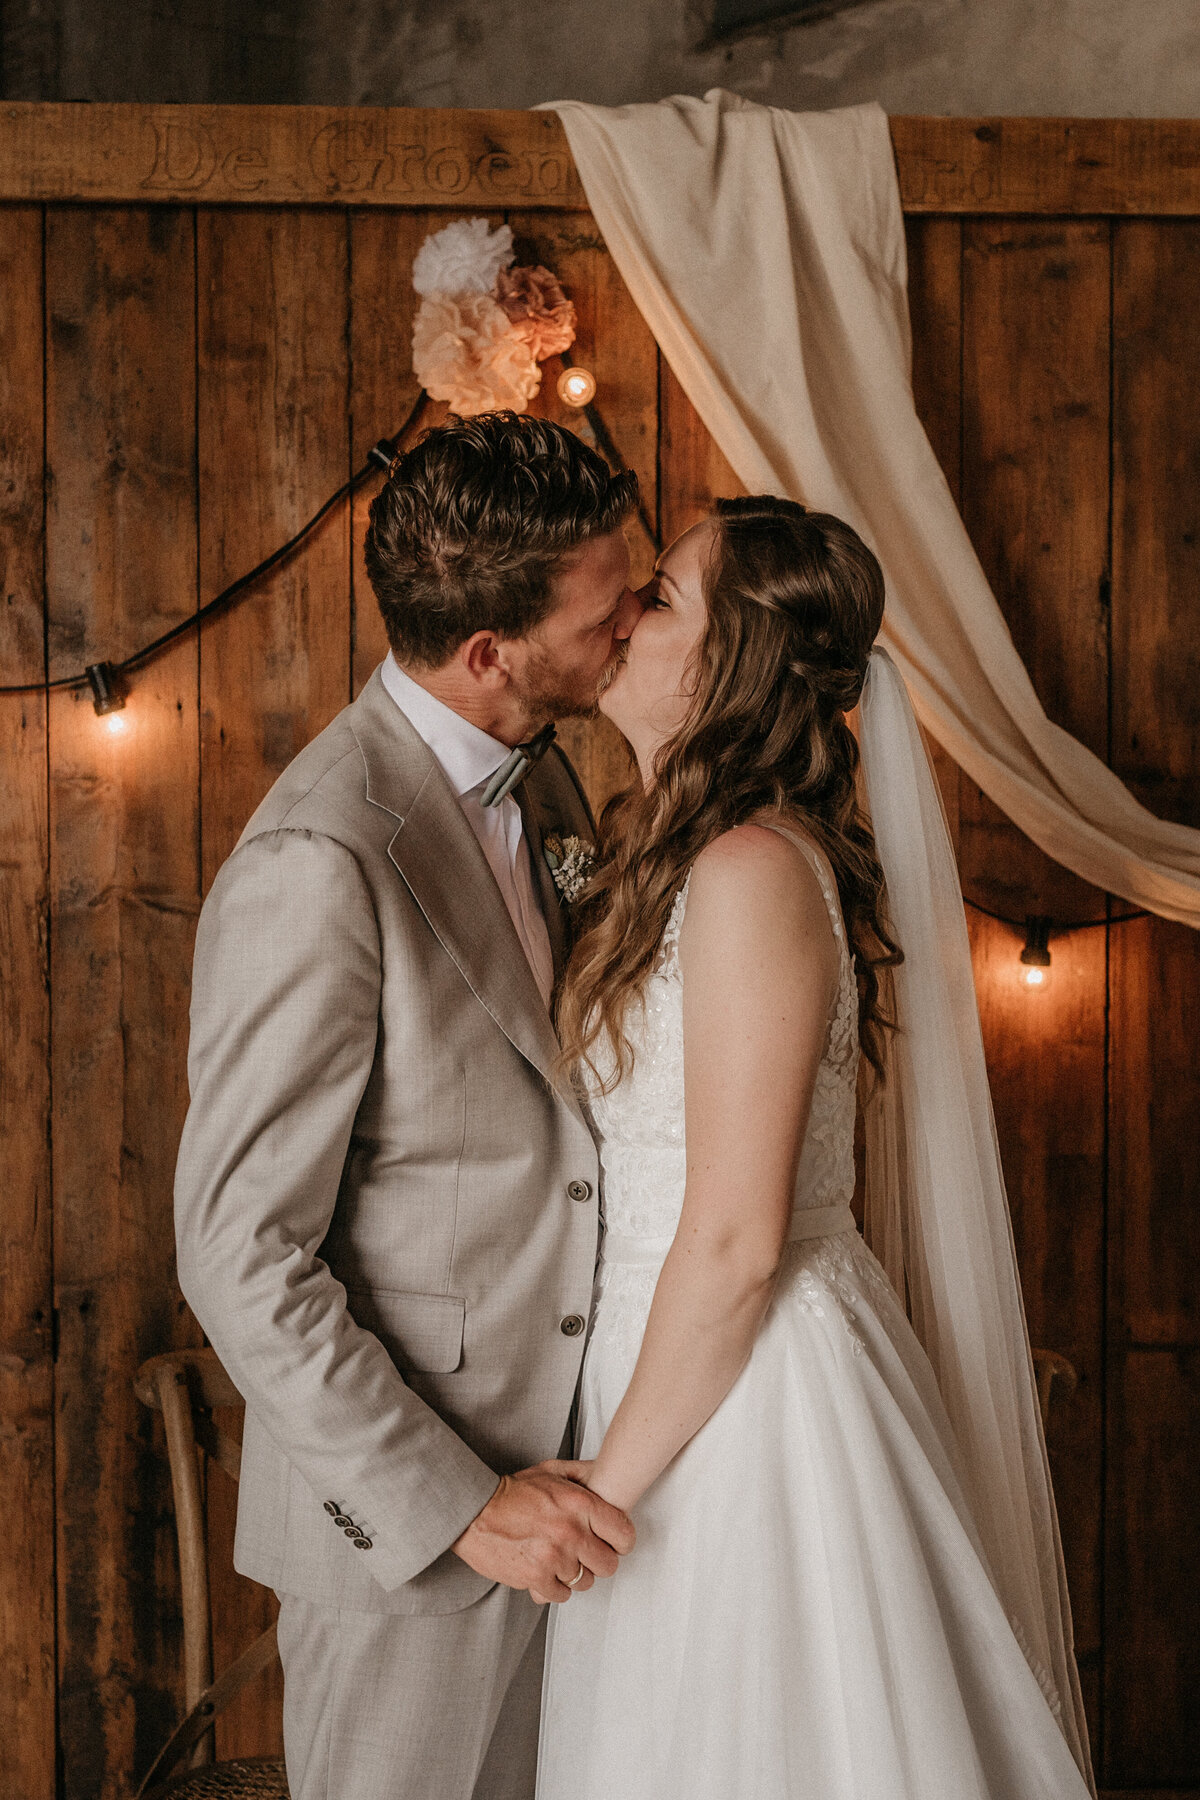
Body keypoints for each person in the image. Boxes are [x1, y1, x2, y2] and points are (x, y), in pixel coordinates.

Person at [536, 495, 1096, 1799]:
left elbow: (736, 1244)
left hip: (740, 1405)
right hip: (656, 1364)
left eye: (661, 597)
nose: (626, 615)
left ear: (733, 658)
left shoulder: (749, 873)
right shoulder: (672, 857)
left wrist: (599, 1496)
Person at [173, 413, 643, 1800]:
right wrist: (465, 1507)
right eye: (608, 611)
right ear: (491, 652)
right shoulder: (319, 855)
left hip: (584, 1488)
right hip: (418, 1539)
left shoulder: (545, 765)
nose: (635, 622)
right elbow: (239, 1253)